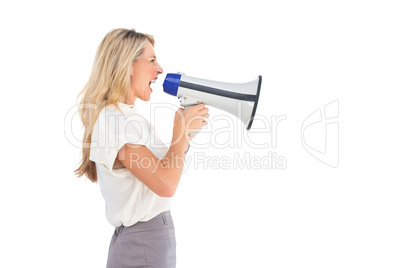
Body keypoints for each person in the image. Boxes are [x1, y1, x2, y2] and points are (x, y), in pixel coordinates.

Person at [74, 28, 209, 268]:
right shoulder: (113, 120)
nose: (160, 69)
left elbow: (165, 170)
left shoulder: (127, 117)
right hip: (144, 242)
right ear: (127, 65)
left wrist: (185, 137)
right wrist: (179, 136)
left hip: (149, 240)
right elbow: (166, 185)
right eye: (152, 60)